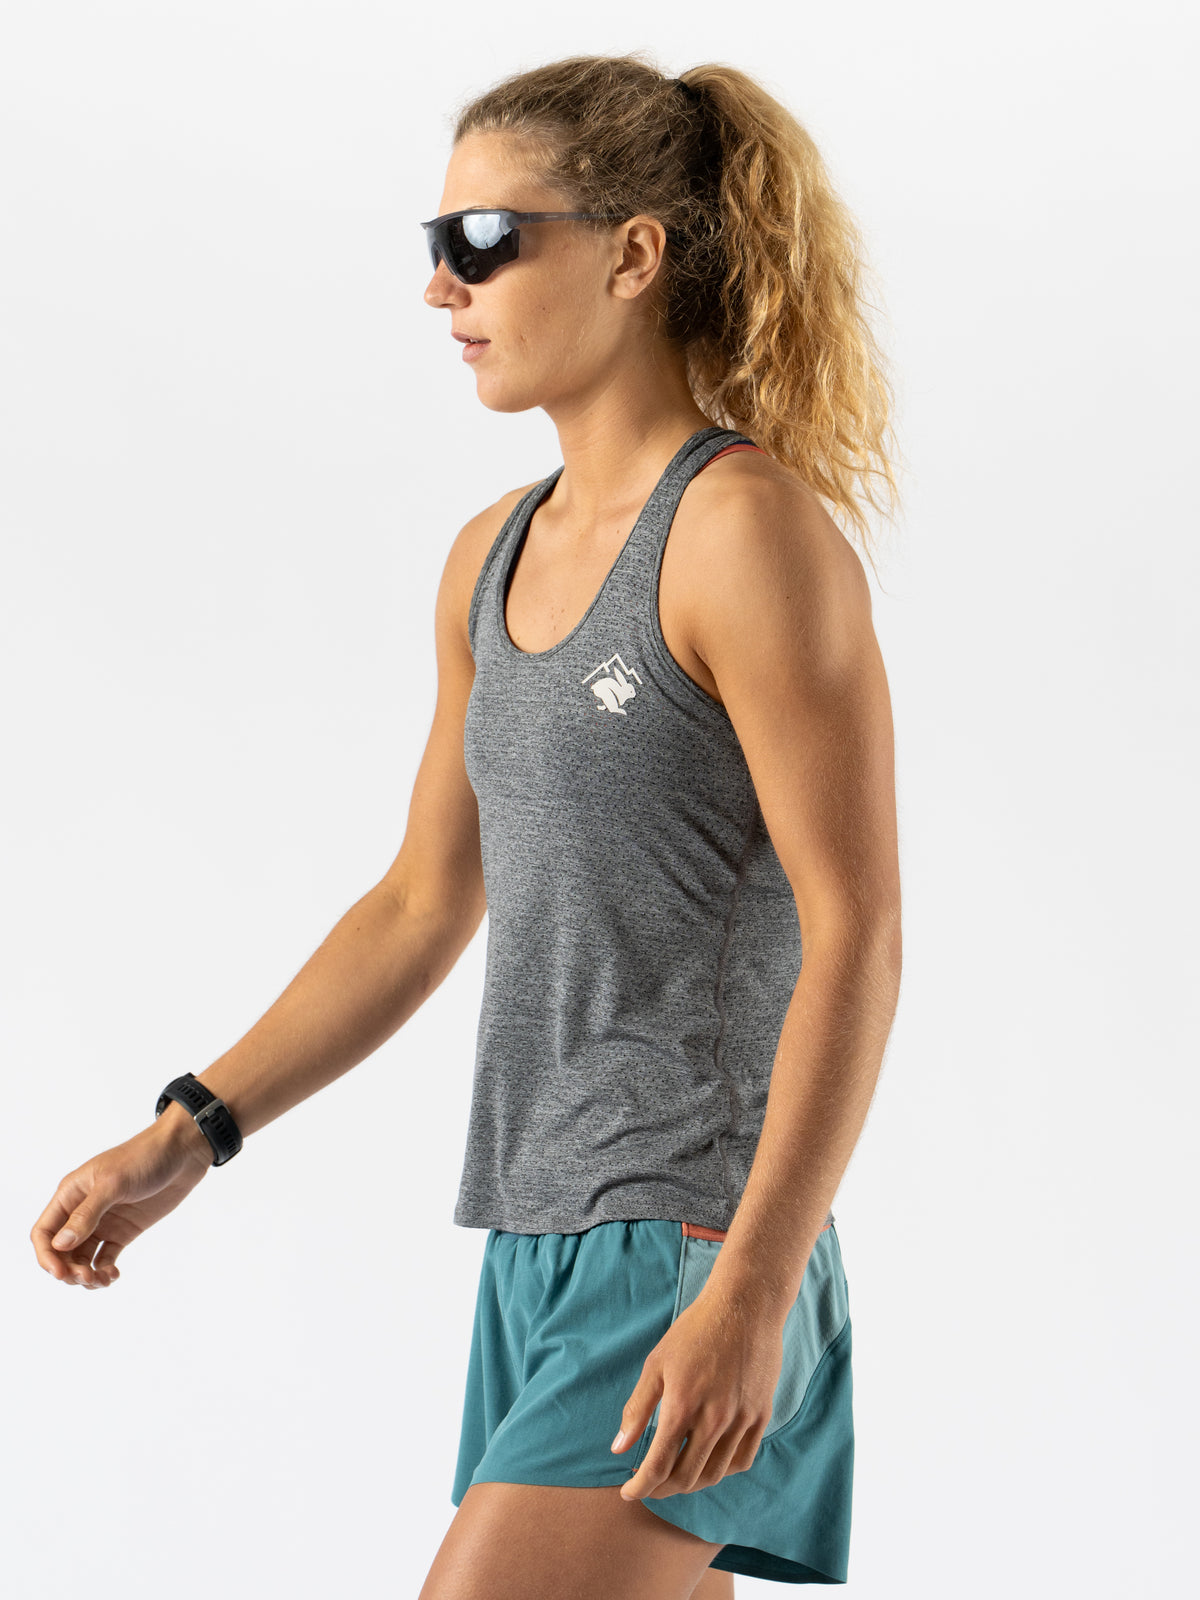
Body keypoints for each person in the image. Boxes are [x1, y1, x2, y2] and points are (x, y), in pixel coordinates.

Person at [30, 51, 903, 1600]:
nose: (443, 286)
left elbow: (860, 932)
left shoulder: (745, 536)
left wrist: (758, 1283)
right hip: (534, 1240)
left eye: (485, 241)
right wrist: (187, 1134)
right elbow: (421, 905)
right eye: (434, 245)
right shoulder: (488, 560)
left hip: (693, 1241)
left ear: (634, 256)